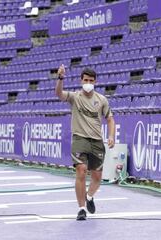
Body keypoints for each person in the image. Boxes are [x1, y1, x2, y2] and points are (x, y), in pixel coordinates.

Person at [55, 64, 115, 221]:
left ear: (95, 82)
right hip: (79, 138)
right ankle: (81, 208)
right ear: (81, 81)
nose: (88, 82)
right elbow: (59, 94)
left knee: (97, 176)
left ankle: (89, 196)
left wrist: (111, 136)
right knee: (81, 170)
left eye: (91, 80)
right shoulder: (75, 97)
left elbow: (110, 119)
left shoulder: (101, 100)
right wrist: (60, 78)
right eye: (86, 80)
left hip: (96, 141)